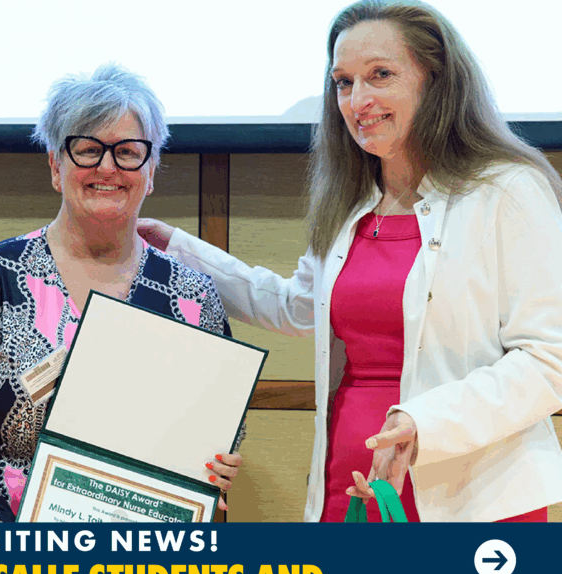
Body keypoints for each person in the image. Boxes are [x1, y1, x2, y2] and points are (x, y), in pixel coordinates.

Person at [139, 0, 562, 522]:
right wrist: (177, 249)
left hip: (474, 495)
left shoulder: (509, 190)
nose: (358, 100)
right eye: (343, 82)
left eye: (380, 75)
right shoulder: (350, 201)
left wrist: (423, 423)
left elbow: (549, 358)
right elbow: (299, 307)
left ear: (436, 81)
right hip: (350, 478)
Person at [0, 63, 241, 522]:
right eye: (88, 150)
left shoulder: (193, 296)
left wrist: (214, 465)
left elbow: (218, 428)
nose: (107, 167)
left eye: (127, 152)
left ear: (151, 170)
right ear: (56, 166)